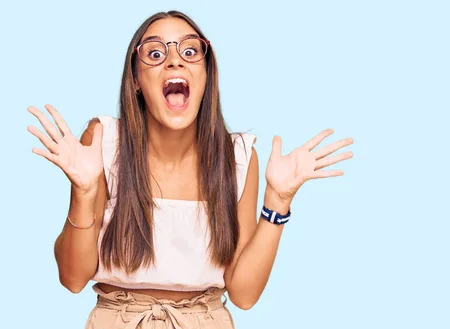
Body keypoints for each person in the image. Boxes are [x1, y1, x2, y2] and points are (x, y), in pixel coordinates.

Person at [27, 10, 353, 329]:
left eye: (190, 50)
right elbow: (72, 278)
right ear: (136, 80)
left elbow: (244, 294)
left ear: (206, 73)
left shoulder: (238, 156)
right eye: (155, 53)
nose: (174, 60)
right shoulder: (104, 142)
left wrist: (277, 202)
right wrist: (84, 194)